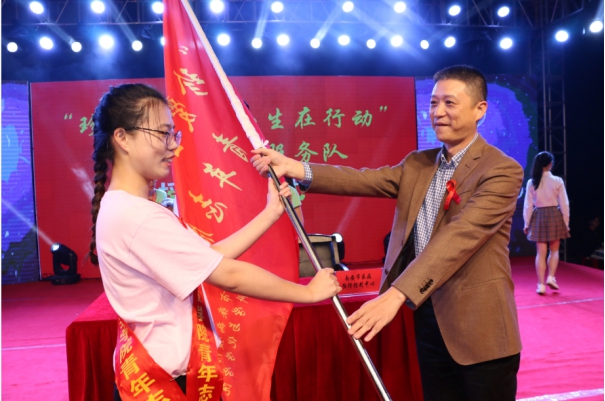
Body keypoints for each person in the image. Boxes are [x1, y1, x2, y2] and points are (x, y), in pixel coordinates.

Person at [252, 65, 524, 401]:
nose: (438, 112)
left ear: (480, 109)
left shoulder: (501, 170)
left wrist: (396, 295)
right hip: (428, 316)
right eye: (433, 103)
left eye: (449, 103)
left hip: (481, 327)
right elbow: (364, 179)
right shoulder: (419, 163)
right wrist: (294, 167)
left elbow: (460, 237)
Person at [87, 83, 341, 401]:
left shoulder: (126, 208)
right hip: (163, 384)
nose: (173, 146)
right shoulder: (136, 216)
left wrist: (270, 213)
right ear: (122, 137)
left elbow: (206, 257)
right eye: (163, 134)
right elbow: (227, 274)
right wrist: (308, 292)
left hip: (161, 374)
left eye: (174, 134)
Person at [523, 151, 570, 294]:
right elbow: (564, 204)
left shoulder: (532, 182)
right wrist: (566, 222)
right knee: (554, 250)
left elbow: (528, 205)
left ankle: (541, 285)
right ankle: (551, 277)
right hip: (554, 215)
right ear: (550, 164)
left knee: (541, 253)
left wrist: (526, 223)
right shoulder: (557, 180)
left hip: (539, 216)